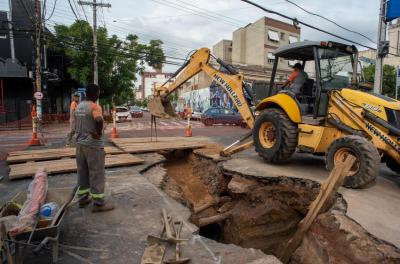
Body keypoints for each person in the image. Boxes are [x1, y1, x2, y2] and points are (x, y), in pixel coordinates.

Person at [75, 84, 114, 212]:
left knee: (83, 172)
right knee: (96, 173)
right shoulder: (94, 106)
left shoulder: (79, 106)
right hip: (93, 145)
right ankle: (98, 203)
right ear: (95, 93)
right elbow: (98, 120)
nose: (99, 95)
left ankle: (83, 198)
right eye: (98, 92)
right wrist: (98, 133)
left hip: (80, 144)